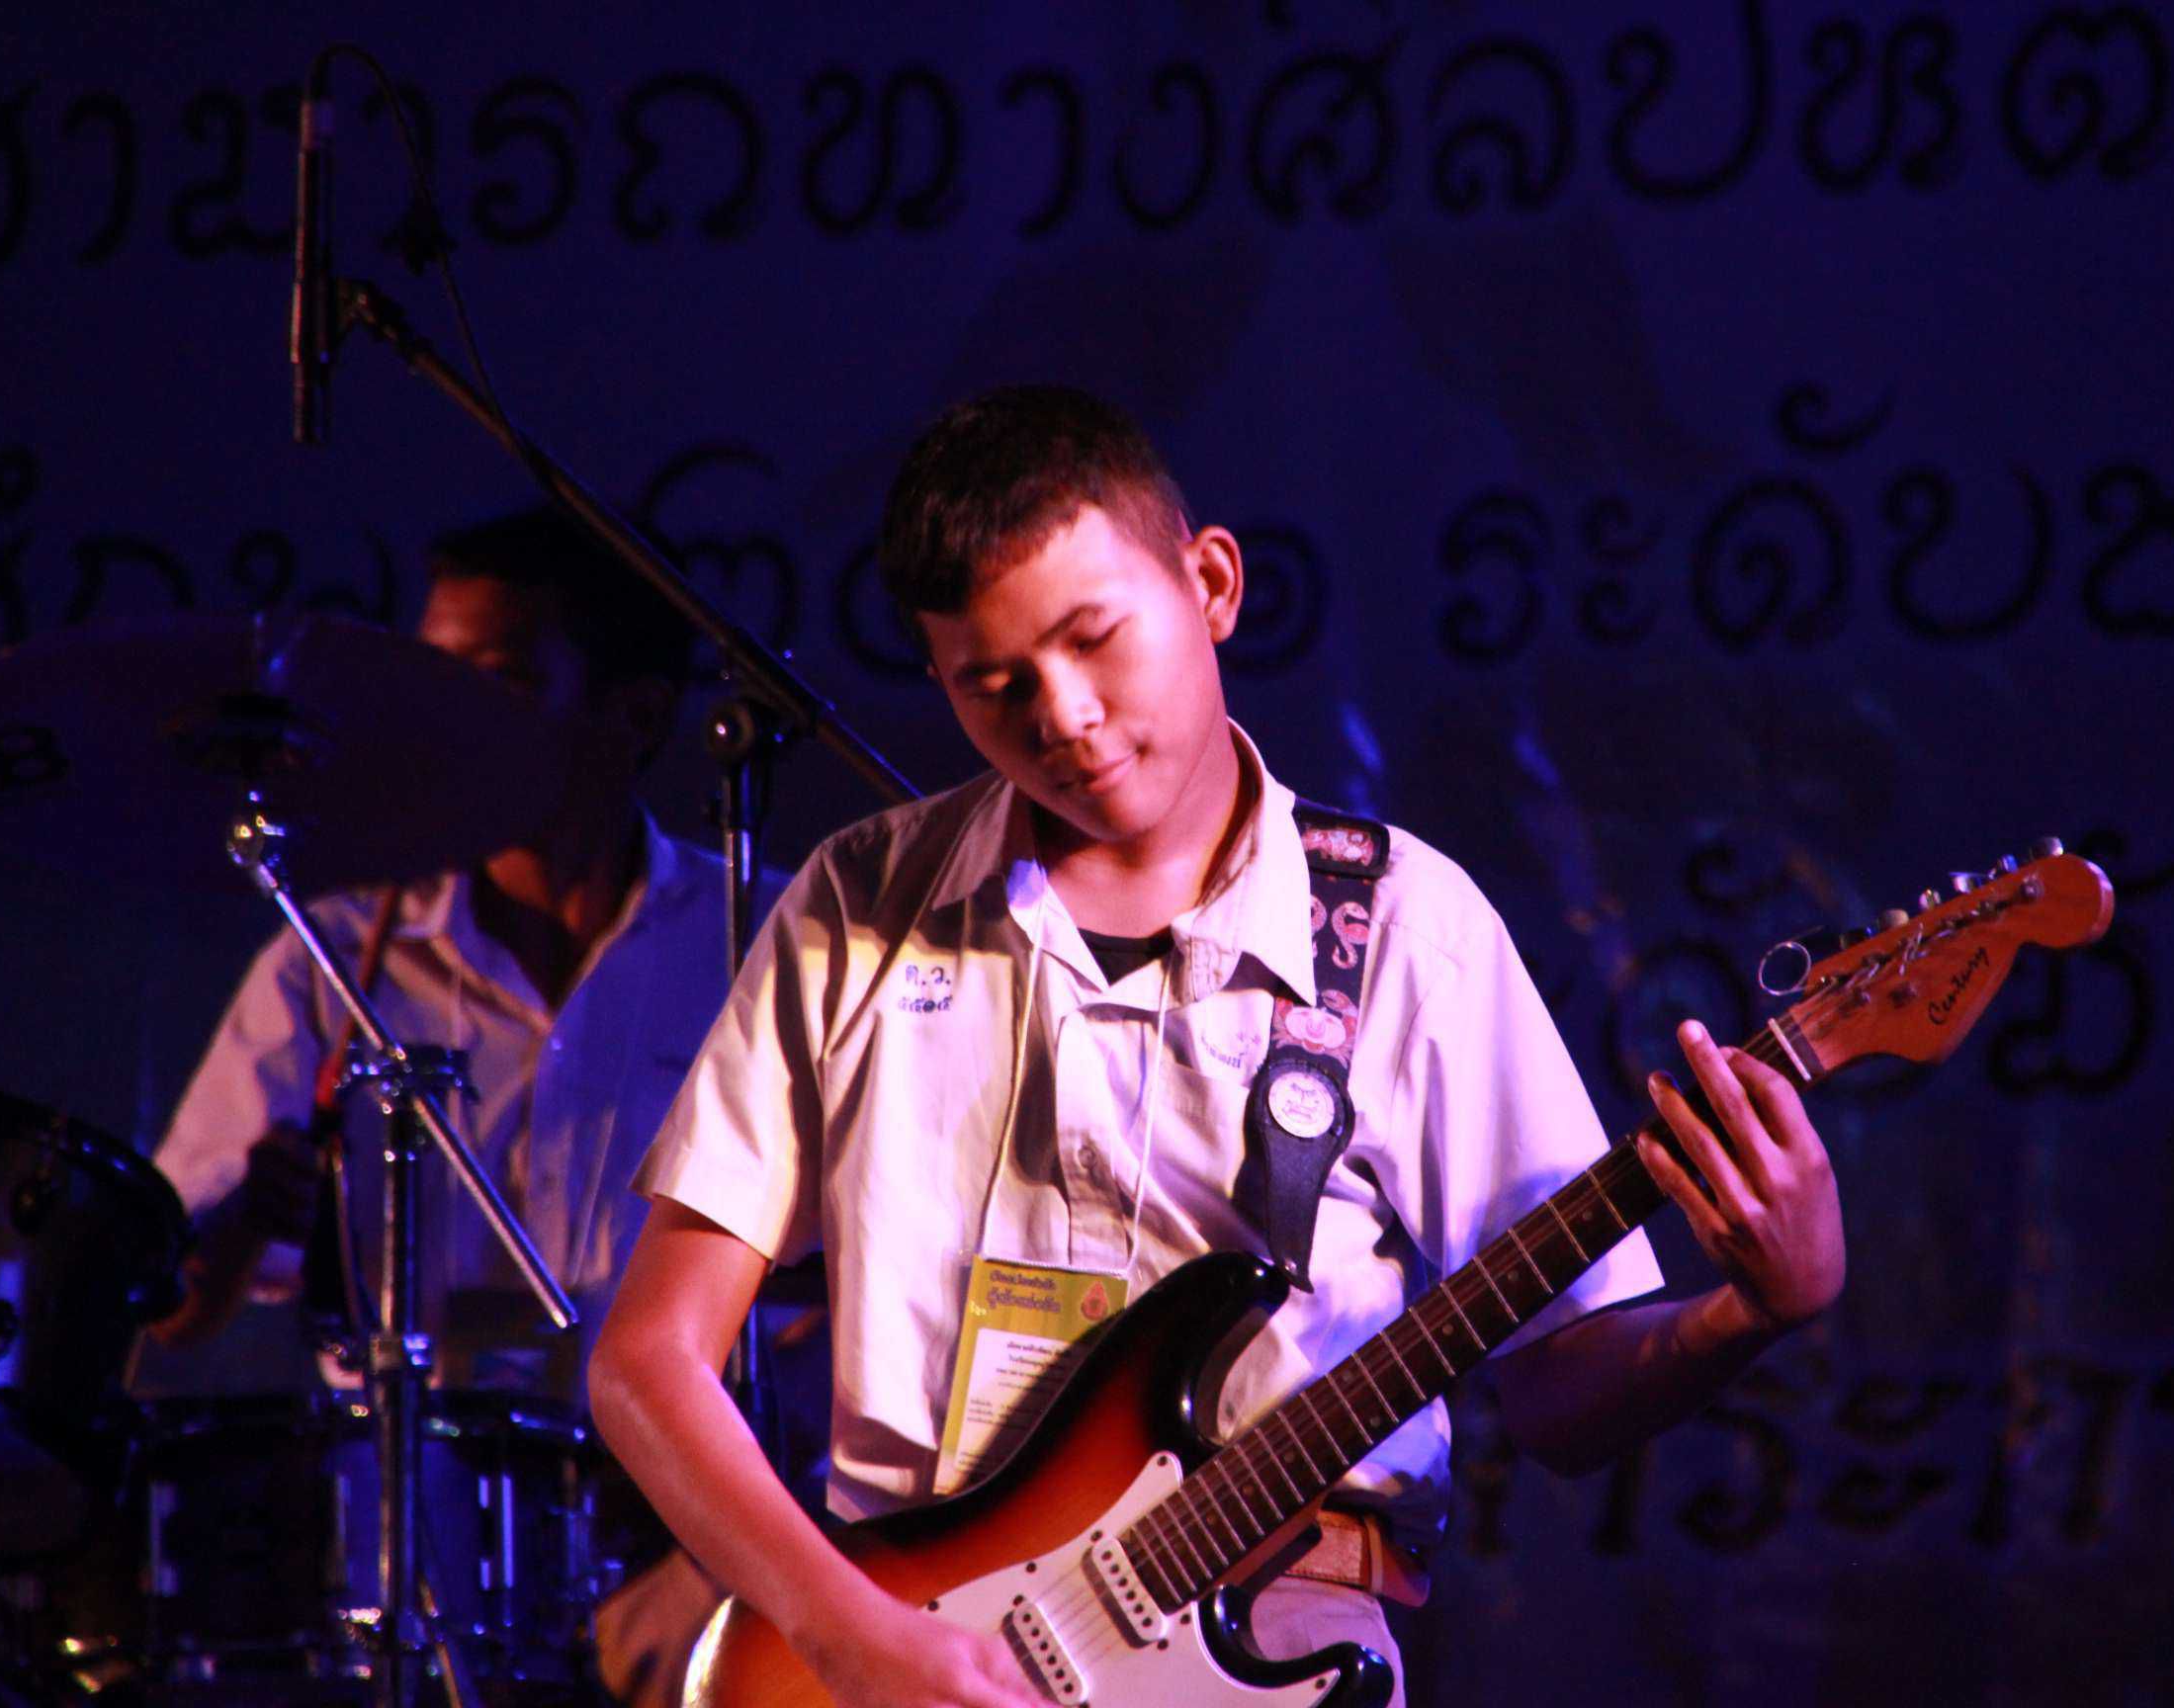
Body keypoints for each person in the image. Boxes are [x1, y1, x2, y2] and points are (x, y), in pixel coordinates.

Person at [588, 386, 1849, 1707]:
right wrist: (848, 1633)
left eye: (1093, 639)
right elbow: (646, 1362)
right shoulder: (859, 904)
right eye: (994, 684)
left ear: (1213, 584)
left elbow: (1556, 1393)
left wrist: (1752, 1310)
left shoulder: (1409, 931)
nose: (1062, 715)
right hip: (914, 1657)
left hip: (1283, 1638)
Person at [146, 504, 762, 1705]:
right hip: (401, 1552)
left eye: (501, 680)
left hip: (685, 1544)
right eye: (436, 679)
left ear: (634, 714)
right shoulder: (336, 957)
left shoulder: (757, 939)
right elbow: (172, 1306)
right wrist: (251, 1218)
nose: (449, 719)